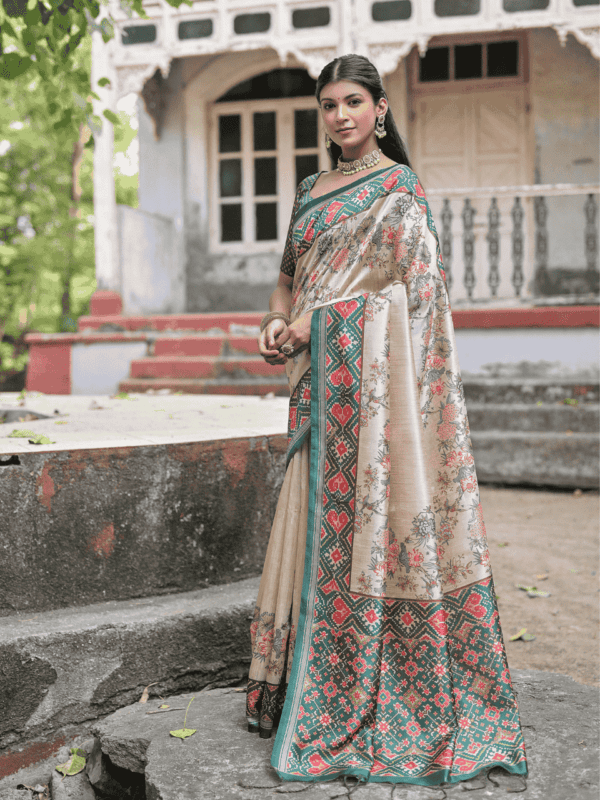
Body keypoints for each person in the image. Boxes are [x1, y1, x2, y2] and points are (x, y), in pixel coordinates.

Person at [246, 53, 528, 787]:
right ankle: (292, 685)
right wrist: (276, 327)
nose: (340, 116)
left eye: (352, 102)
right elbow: (287, 284)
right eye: (328, 105)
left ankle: (367, 683)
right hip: (316, 383)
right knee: (307, 522)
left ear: (380, 110)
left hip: (370, 394)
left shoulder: (399, 190)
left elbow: (419, 300)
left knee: (361, 530)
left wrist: (322, 323)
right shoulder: (311, 191)